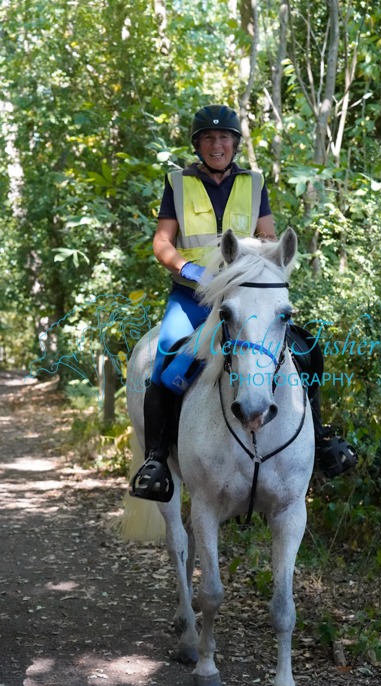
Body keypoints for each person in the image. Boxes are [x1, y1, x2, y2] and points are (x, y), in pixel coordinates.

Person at [130, 104, 357, 502]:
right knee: (165, 361)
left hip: (245, 294)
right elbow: (162, 241)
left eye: (224, 138)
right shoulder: (178, 183)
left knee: (306, 350)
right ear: (198, 145)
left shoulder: (253, 183)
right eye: (208, 138)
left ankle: (320, 438)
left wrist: (260, 265)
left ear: (234, 143)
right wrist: (189, 269)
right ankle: (156, 460)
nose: (216, 145)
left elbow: (268, 237)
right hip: (194, 294)